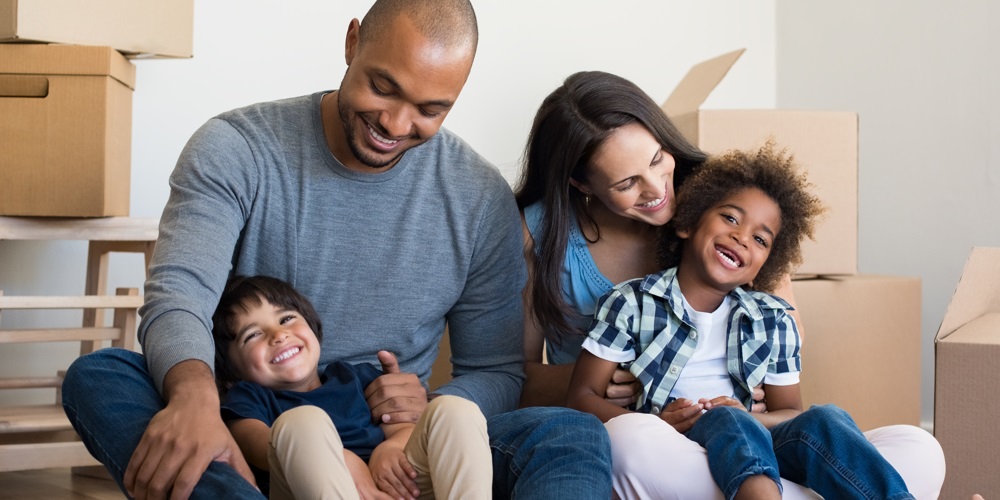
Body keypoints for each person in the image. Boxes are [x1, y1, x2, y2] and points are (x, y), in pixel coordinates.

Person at [60, 1, 611, 499]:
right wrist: (196, 400)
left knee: (568, 433)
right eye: (384, 87)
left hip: (399, 455)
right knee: (101, 375)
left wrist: (420, 414)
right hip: (254, 439)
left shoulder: (479, 198)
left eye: (430, 109)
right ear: (352, 43)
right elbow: (179, 295)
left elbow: (495, 369)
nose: (395, 124)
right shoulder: (236, 148)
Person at [514, 70, 945, 499]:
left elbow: (785, 369)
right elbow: (518, 377)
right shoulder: (550, 240)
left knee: (919, 448)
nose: (658, 189)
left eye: (658, 158)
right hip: (651, 439)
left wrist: (758, 406)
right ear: (581, 183)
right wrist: (617, 377)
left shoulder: (725, 202)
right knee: (632, 439)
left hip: (749, 437)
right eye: (627, 183)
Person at [567, 144, 915, 499]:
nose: (742, 237)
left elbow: (789, 412)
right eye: (731, 218)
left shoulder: (773, 319)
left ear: (764, 265)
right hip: (675, 447)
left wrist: (751, 419)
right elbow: (581, 396)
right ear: (688, 223)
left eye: (761, 239)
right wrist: (659, 422)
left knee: (826, 418)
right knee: (722, 420)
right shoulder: (632, 302)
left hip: (756, 445)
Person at [213, 275, 491, 499]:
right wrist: (341, 459)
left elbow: (400, 425)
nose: (279, 335)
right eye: (253, 335)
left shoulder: (352, 376)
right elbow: (260, 447)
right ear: (231, 372)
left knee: (454, 409)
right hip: (308, 489)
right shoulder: (247, 397)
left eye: (286, 319)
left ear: (313, 328)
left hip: (392, 484)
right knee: (300, 423)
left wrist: (391, 448)